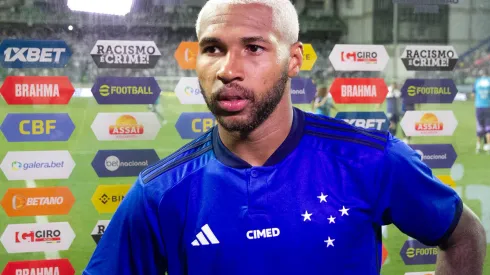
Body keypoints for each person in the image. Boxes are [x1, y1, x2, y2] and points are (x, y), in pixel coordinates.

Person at [82, 1, 487, 274]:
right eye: (213, 48)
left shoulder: (373, 159)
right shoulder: (158, 193)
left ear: (293, 60)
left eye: (254, 48)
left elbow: (464, 234)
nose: (228, 69)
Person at [472, 68, 490, 153]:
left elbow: (473, 94)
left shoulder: (477, 81)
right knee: (488, 127)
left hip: (479, 106)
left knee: (479, 127)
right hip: (488, 107)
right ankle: (487, 146)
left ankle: (478, 146)